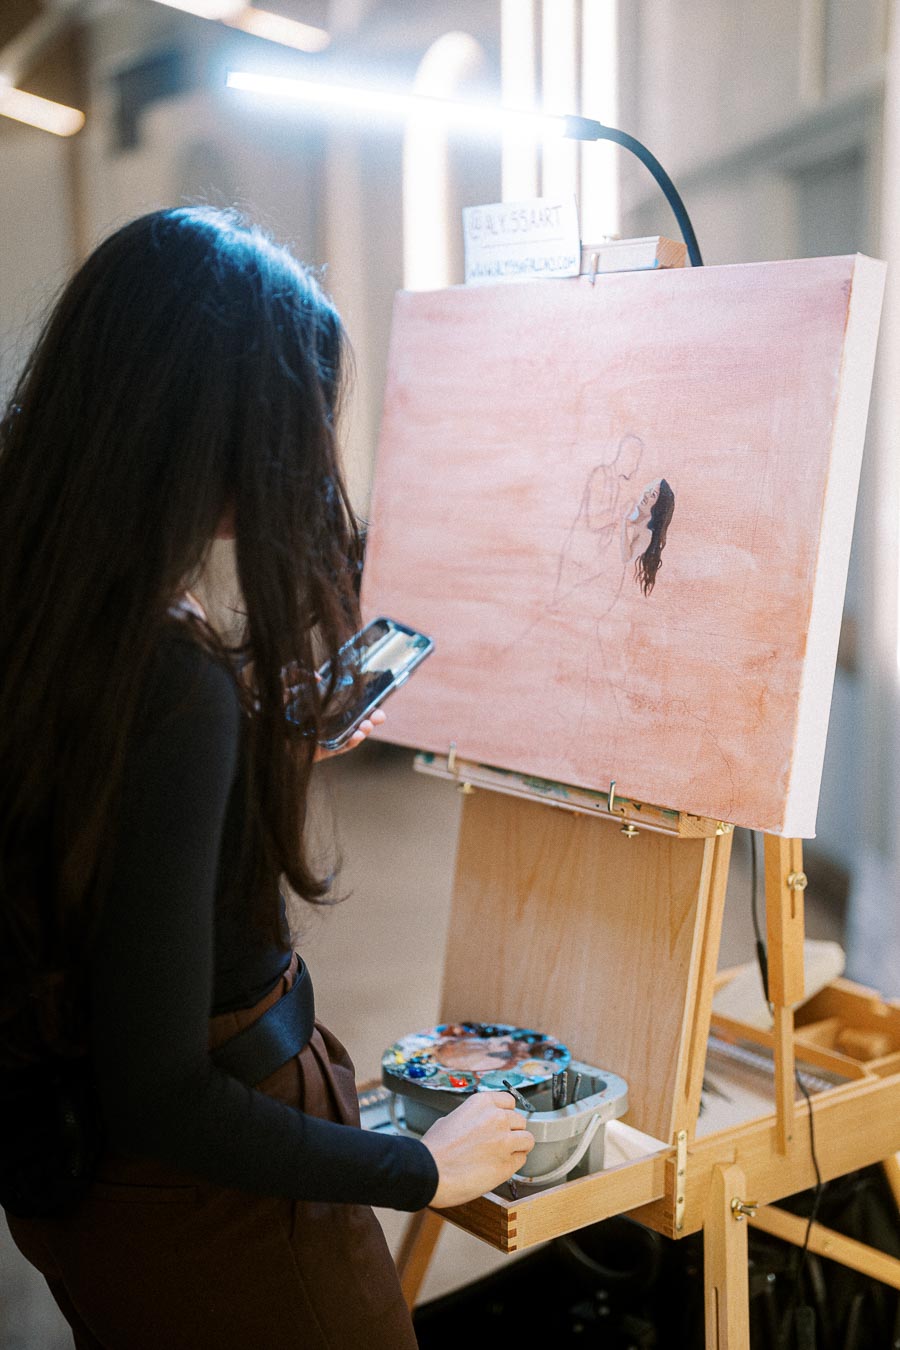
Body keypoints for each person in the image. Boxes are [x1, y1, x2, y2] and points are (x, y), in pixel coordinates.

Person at [0, 207, 534, 1350]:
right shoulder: (168, 682)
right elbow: (165, 1093)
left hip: (77, 1190)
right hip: (214, 1222)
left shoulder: (51, 609)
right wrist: (417, 1166)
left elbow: (94, 842)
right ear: (222, 424)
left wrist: (251, 751)